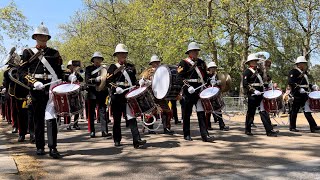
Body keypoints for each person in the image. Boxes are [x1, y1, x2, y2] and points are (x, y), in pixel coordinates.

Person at [20, 22, 65, 158]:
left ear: (47, 37)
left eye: (45, 35)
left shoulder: (54, 53)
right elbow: (21, 72)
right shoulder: (27, 52)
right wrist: (33, 83)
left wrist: (68, 78)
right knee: (38, 118)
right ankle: (40, 146)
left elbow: (58, 72)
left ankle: (53, 147)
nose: (42, 37)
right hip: (36, 89)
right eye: (40, 35)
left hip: (51, 88)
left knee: (51, 118)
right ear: (35, 37)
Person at [107, 43, 146, 148]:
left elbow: (134, 81)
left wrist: (141, 83)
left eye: (124, 53)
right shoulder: (112, 67)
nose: (123, 55)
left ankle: (136, 140)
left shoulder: (131, 67)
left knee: (132, 118)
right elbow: (108, 81)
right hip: (117, 96)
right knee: (117, 119)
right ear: (117, 55)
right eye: (120, 54)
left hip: (129, 95)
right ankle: (117, 139)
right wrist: (115, 88)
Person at [177, 42, 214, 142]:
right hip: (188, 91)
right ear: (189, 52)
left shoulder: (202, 62)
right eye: (194, 51)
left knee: (201, 113)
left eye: (197, 51)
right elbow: (179, 77)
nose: (196, 53)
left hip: (200, 90)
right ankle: (186, 134)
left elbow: (205, 76)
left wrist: (210, 81)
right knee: (186, 114)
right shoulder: (183, 63)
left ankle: (204, 134)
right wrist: (186, 86)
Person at [242, 53, 278, 137]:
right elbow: (245, 84)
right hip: (253, 95)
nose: (255, 62)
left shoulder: (260, 71)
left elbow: (265, 80)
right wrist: (253, 91)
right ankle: (248, 129)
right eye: (253, 61)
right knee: (251, 112)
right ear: (249, 62)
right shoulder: (247, 72)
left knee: (264, 112)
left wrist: (265, 72)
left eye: (255, 61)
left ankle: (269, 130)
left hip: (261, 94)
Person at [139, 54, 174, 134]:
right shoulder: (147, 72)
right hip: (151, 94)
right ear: (151, 63)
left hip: (162, 94)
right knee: (151, 112)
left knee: (167, 111)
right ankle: (150, 129)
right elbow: (141, 82)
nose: (156, 63)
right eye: (154, 62)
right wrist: (145, 82)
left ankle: (166, 128)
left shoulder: (164, 71)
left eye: (157, 62)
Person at [288, 56, 320, 133]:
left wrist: (312, 86)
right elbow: (291, 82)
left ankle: (313, 126)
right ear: (299, 64)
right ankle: (292, 127)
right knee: (294, 110)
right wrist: (299, 89)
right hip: (297, 94)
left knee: (307, 110)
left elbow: (305, 83)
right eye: (304, 63)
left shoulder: (304, 73)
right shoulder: (293, 71)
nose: (305, 65)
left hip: (305, 94)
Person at [85, 52, 112, 138]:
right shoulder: (89, 68)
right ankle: (92, 131)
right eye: (96, 59)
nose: (98, 60)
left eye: (99, 59)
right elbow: (87, 80)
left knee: (103, 112)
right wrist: (95, 80)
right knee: (91, 112)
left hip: (102, 93)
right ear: (93, 60)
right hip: (92, 92)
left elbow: (107, 80)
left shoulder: (104, 69)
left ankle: (104, 131)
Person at [205, 61, 229, 131]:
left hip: (215, 94)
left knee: (218, 110)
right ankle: (207, 125)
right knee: (208, 111)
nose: (213, 69)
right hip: (208, 94)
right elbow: (205, 84)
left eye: (214, 68)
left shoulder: (217, 76)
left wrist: (219, 84)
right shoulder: (206, 76)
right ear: (209, 68)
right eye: (212, 68)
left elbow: (220, 86)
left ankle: (222, 125)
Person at [63, 60, 84, 130]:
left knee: (77, 108)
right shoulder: (65, 73)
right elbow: (63, 80)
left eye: (74, 66)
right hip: (67, 92)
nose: (72, 67)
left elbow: (81, 79)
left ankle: (75, 123)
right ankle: (67, 124)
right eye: (71, 66)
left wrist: (76, 74)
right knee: (68, 109)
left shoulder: (76, 73)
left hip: (75, 93)